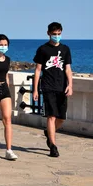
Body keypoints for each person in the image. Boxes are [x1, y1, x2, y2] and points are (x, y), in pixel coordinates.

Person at [33, 22, 73, 158]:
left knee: (61, 118)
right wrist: (35, 90)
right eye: (54, 34)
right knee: (51, 116)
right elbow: (38, 70)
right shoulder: (43, 49)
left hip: (62, 87)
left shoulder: (66, 49)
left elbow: (68, 69)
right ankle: (53, 146)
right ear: (48, 33)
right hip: (48, 87)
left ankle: (48, 132)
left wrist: (70, 85)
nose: (56, 36)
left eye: (59, 34)